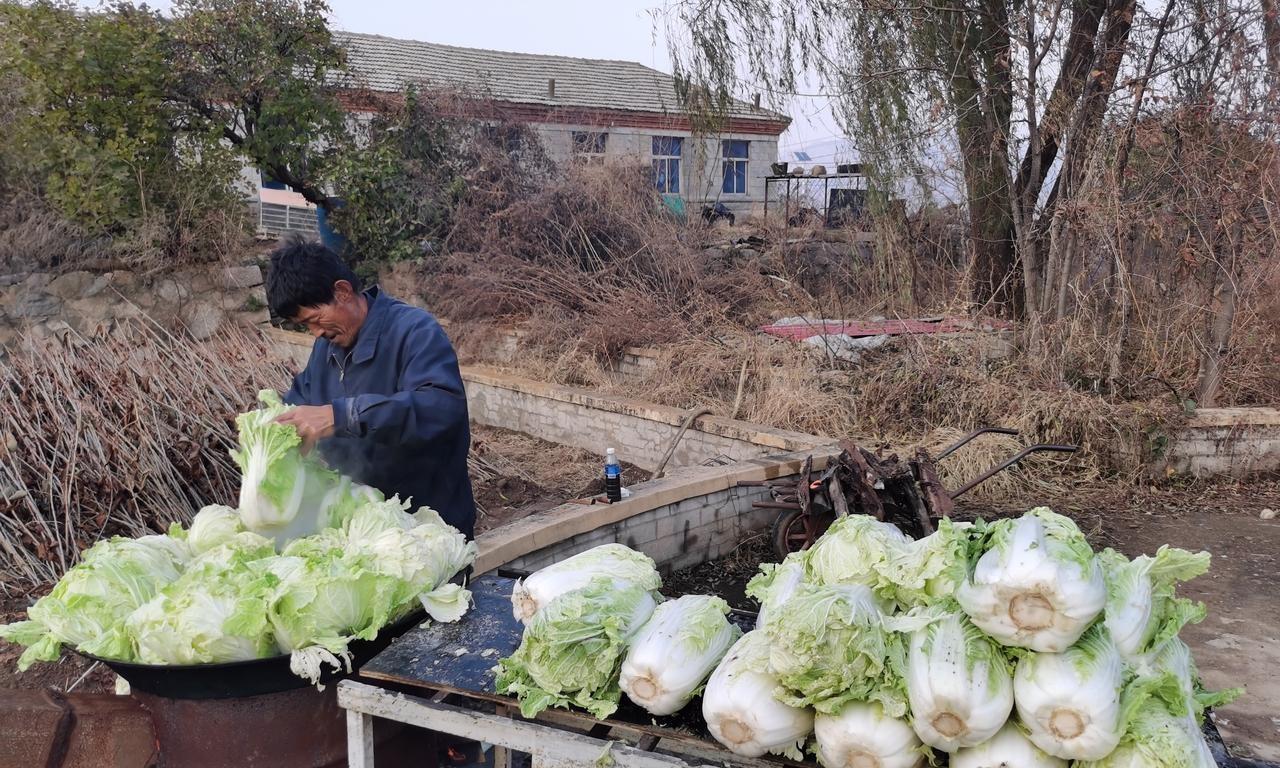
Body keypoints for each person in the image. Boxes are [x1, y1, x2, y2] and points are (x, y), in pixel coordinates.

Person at [266, 236, 476, 540]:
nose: (316, 332)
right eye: (305, 326)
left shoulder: (414, 331)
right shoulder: (326, 349)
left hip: (428, 528)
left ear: (342, 292)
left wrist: (344, 416)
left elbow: (440, 407)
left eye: (315, 319)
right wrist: (273, 435)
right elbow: (299, 404)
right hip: (364, 527)